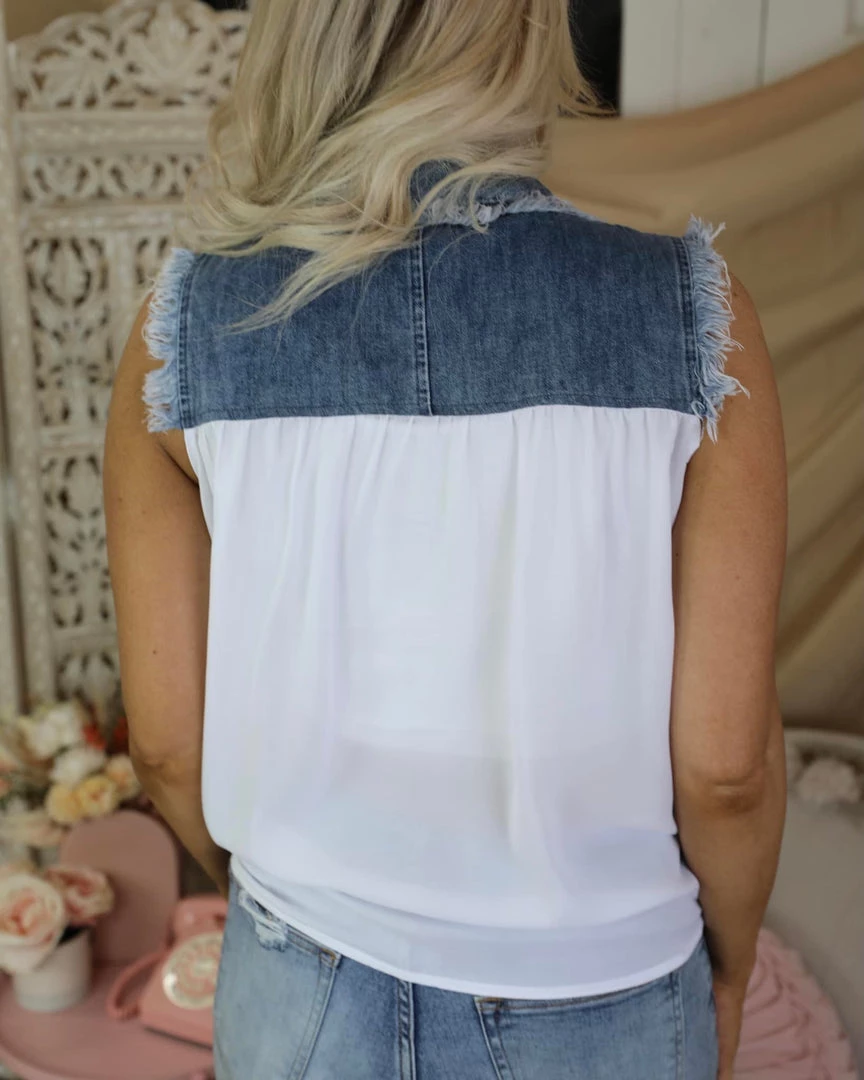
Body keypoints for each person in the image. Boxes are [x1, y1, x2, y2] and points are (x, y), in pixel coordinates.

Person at [104, 2, 787, 1078]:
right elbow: (727, 769)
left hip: (301, 990)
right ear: (524, 36)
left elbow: (167, 748)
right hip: (603, 993)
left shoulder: (181, 331)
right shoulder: (695, 317)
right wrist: (735, 965)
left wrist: (290, 898)